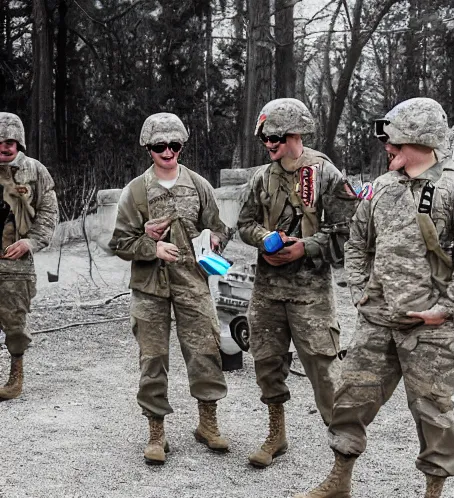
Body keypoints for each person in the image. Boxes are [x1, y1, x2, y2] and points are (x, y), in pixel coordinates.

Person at [292, 98, 454, 498]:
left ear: (420, 139)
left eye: (395, 139)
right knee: (350, 400)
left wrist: (447, 308)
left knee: (432, 412)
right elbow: (356, 244)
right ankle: (339, 481)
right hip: (377, 321)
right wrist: (360, 291)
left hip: (430, 328)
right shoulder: (383, 188)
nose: (387, 146)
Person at [237, 98, 359, 468]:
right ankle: (277, 434)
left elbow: (347, 230)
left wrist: (304, 248)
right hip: (268, 290)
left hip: (311, 293)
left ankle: (342, 452)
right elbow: (243, 224)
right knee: (267, 362)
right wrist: (264, 239)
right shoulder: (262, 177)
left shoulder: (326, 174)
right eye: (264, 138)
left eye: (274, 137)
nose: (269, 144)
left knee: (325, 370)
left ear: (295, 134)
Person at [109, 113, 231, 465]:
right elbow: (120, 242)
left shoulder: (198, 185)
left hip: (193, 283)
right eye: (160, 146)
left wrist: (214, 240)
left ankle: (207, 424)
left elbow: (219, 228)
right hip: (150, 288)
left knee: (205, 352)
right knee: (153, 359)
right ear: (149, 148)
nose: (168, 151)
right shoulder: (136, 190)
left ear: (182, 146)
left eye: (174, 145)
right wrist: (150, 246)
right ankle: (156, 432)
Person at [0, 112, 58, 400]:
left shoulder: (35, 171)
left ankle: (15, 376)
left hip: (16, 264)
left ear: (19, 142)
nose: (4, 146)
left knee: (15, 321)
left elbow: (48, 212)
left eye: (10, 140)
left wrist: (31, 242)